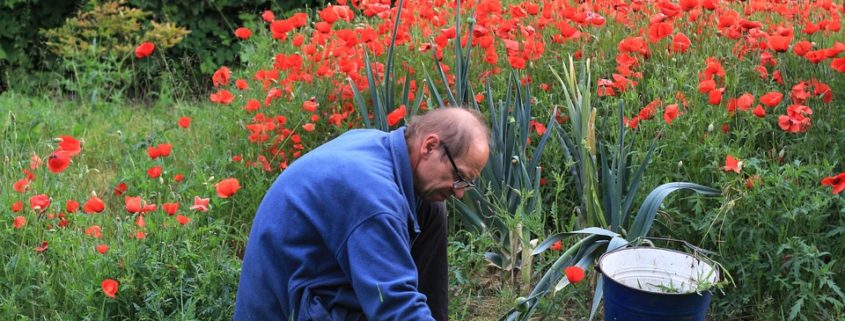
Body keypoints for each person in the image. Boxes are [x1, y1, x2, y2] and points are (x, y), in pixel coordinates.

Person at [234, 107, 490, 321]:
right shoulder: (374, 198)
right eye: (459, 177)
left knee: (433, 207)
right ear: (430, 146)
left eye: (466, 184)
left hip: (321, 283)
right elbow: (395, 306)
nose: (459, 193)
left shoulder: (383, 151)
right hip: (286, 307)